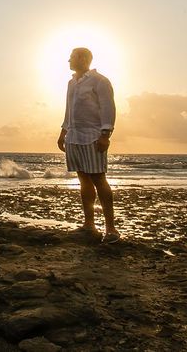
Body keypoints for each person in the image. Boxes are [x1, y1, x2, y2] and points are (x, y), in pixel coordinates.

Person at [56, 47, 119, 243]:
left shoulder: (100, 81)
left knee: (99, 180)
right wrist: (63, 132)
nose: (69, 60)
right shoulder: (71, 83)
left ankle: (111, 229)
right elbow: (69, 110)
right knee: (83, 180)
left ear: (83, 59)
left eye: (72, 57)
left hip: (92, 136)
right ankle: (89, 224)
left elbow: (108, 107)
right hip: (74, 136)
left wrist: (105, 134)